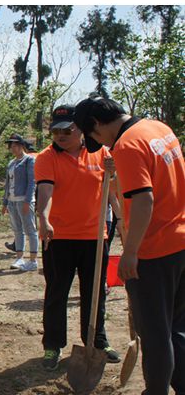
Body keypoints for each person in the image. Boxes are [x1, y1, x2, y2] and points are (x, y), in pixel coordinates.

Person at [74, 97, 185, 395]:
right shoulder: (159, 128)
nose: (100, 143)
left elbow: (145, 199)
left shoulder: (127, 145)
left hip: (155, 251)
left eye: (94, 136)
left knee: (155, 334)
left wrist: (132, 252)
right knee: (176, 328)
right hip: (181, 241)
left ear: (96, 124)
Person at [33, 104, 118, 371]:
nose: (60, 135)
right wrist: (43, 218)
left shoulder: (101, 153)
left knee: (94, 293)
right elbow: (45, 191)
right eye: (55, 131)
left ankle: (97, 341)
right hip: (58, 237)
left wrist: (123, 219)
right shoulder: (47, 158)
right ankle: (53, 346)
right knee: (57, 292)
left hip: (94, 237)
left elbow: (113, 191)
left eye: (66, 130)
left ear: (80, 129)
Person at [3, 133, 39, 271]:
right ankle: (19, 258)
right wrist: (5, 203)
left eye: (14, 145)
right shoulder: (11, 163)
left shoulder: (29, 160)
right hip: (12, 200)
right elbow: (8, 183)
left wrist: (27, 200)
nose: (12, 148)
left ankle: (33, 260)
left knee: (30, 229)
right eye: (11, 146)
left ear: (21, 145)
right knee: (17, 229)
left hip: (24, 199)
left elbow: (32, 182)